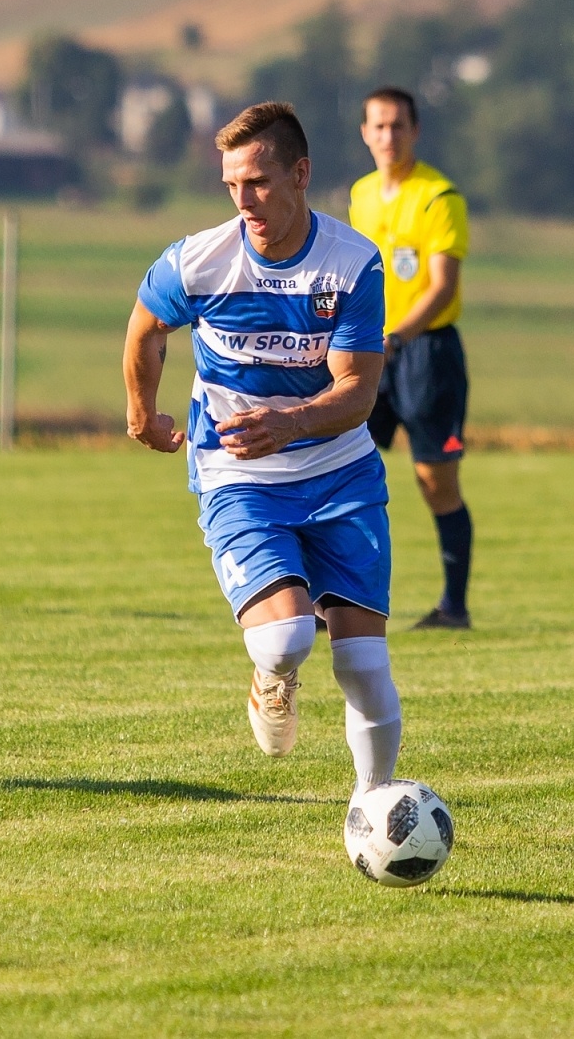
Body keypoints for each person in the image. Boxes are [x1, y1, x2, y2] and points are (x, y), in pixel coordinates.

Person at [123, 101, 403, 794]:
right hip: (238, 475)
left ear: (300, 175)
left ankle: (371, 811)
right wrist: (142, 413)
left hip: (340, 473)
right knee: (286, 640)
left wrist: (292, 422)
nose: (243, 200)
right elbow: (146, 328)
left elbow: (359, 393)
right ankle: (271, 676)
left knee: (364, 666)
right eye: (231, 185)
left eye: (258, 182)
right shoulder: (197, 261)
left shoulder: (352, 264)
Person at [349, 86, 473, 629]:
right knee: (343, 469)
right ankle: (337, 600)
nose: (388, 135)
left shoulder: (438, 196)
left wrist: (397, 337)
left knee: (434, 481)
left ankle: (453, 607)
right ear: (364, 133)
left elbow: (442, 287)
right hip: (369, 351)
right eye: (378, 125)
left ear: (415, 131)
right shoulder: (360, 195)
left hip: (426, 355)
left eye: (398, 125)